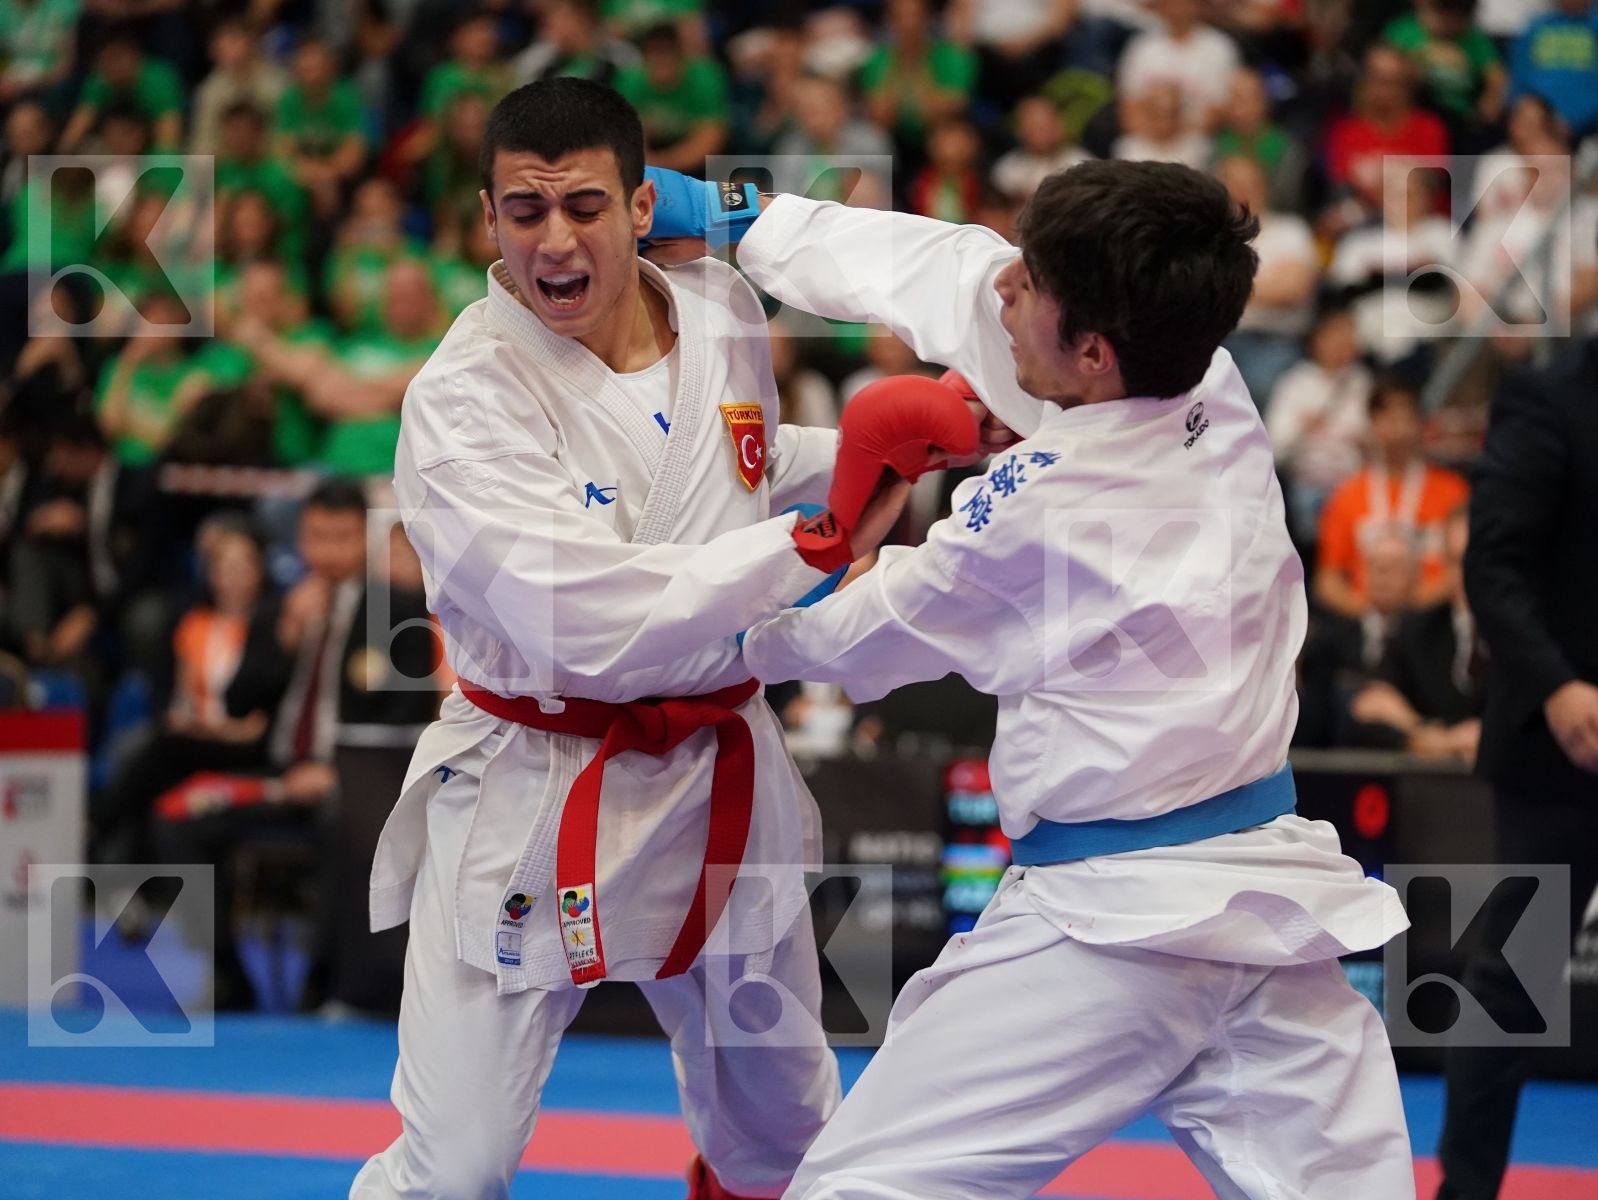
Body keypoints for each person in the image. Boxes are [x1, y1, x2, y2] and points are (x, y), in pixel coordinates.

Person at [715, 158, 1412, 1197]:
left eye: (1028, 285)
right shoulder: (1208, 381)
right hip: (1269, 905)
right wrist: (747, 221)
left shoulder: (1043, 508)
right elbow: (955, 270)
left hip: (1109, 930)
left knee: (861, 1188)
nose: (1003, 288)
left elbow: (849, 637)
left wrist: (791, 568)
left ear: (1088, 350)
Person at [351, 78, 971, 1200]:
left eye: (583, 206)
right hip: (533, 778)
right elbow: (580, 620)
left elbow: (736, 470)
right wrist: (820, 537)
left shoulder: (723, 304)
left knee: (782, 1127)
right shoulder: (461, 399)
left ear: (644, 209)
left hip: (719, 763)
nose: (553, 240)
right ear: (487, 219)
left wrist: (874, 459)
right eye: (523, 211)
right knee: (455, 1169)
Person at [1435, 337, 1598, 1200]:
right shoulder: (1546, 396)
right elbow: (1494, 565)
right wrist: (1559, 687)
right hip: (1561, 743)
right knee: (1514, 984)